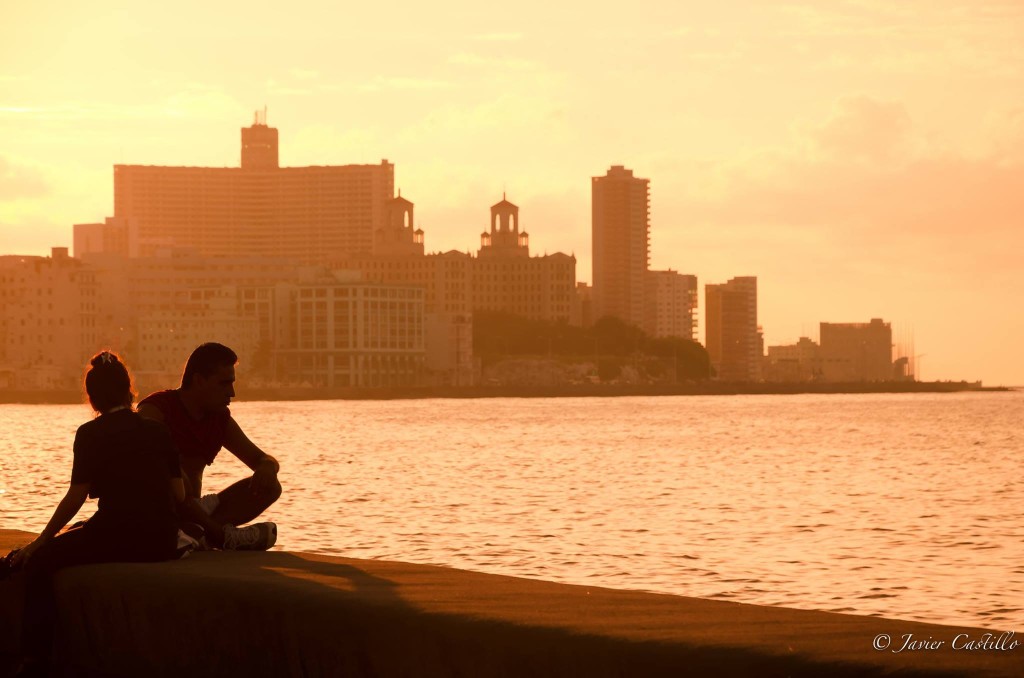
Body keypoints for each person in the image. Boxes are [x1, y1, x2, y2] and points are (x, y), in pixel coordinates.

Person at [10, 352, 184, 676]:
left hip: (118, 536)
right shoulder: (157, 431)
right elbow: (179, 494)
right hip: (161, 542)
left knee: (40, 564)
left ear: (91, 398)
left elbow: (76, 496)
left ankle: (34, 661)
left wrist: (38, 544)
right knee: (81, 531)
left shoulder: (90, 434)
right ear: (129, 390)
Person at [137, 342, 280, 551]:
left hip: (197, 511)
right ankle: (220, 536)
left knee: (271, 486)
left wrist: (267, 466)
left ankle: (199, 534)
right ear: (198, 380)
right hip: (157, 510)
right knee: (174, 477)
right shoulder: (155, 410)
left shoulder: (219, 419)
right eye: (224, 383)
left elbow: (261, 458)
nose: (232, 393)